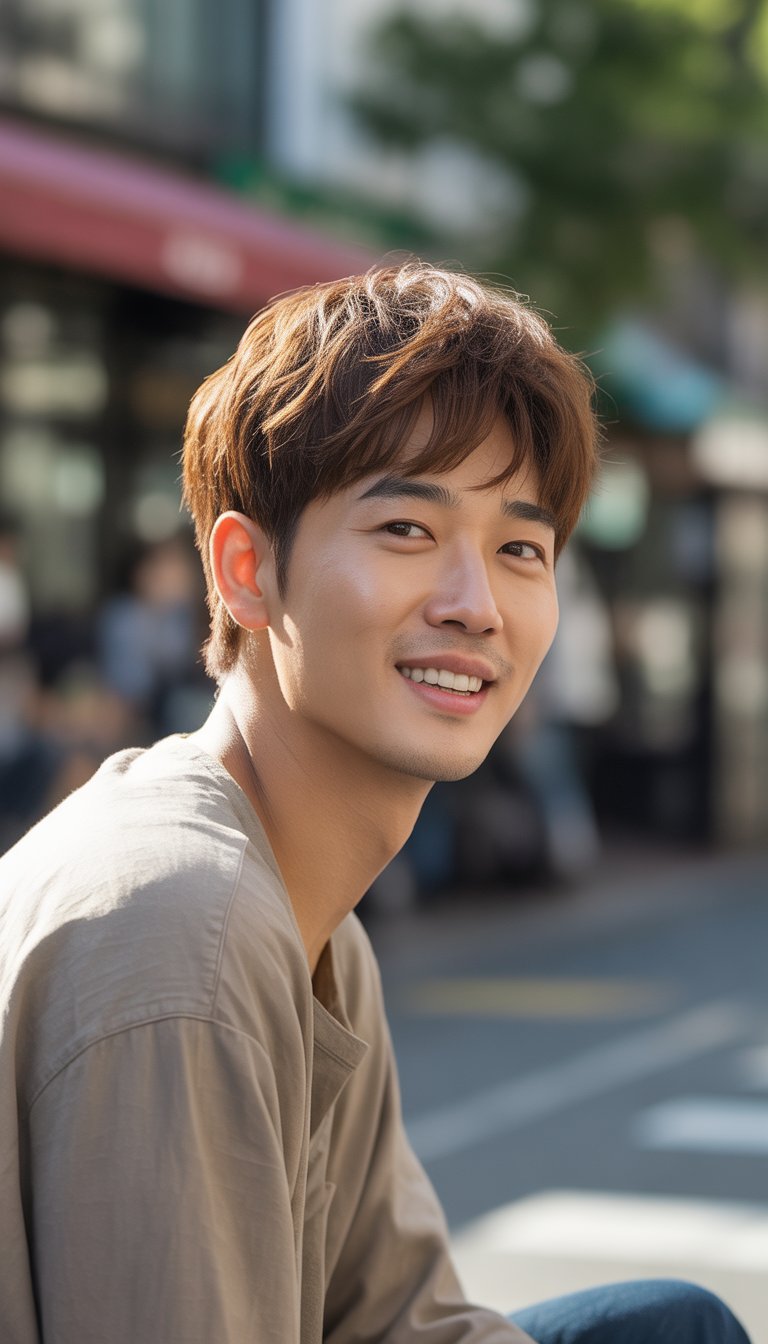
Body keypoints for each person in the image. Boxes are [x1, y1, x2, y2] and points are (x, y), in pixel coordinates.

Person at [0, 263, 750, 1344]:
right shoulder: (184, 932)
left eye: (520, 549)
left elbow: (400, 1320)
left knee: (667, 1326)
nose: (474, 605)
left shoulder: (313, 922)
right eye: (406, 530)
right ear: (247, 571)